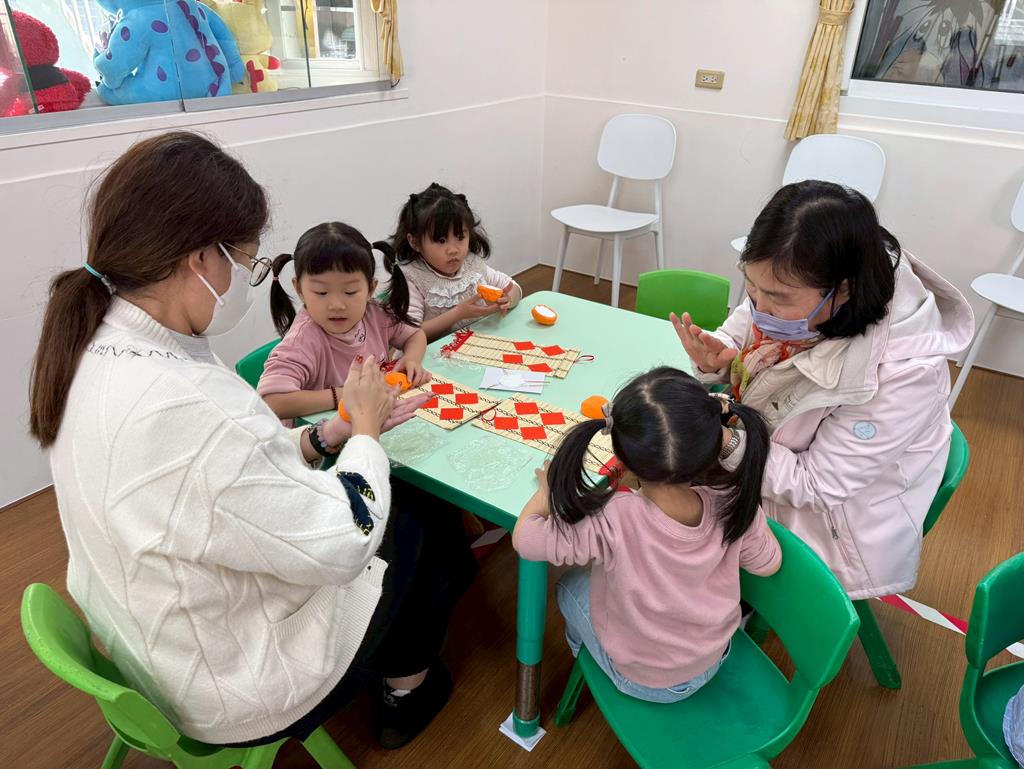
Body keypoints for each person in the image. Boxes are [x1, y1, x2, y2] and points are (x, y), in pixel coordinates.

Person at [28, 131, 469, 749]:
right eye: (248, 263)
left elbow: (229, 471)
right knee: (420, 520)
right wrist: (366, 432)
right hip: (227, 688)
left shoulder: (95, 344)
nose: (248, 279)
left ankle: (406, 651)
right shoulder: (190, 402)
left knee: (409, 516)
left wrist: (329, 434)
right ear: (200, 259)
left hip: (147, 636)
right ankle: (408, 687)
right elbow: (345, 541)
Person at [674, 180, 974, 599]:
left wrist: (725, 440)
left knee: (674, 540)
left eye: (776, 298)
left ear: (844, 290)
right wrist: (719, 356)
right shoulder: (789, 281)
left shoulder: (904, 375)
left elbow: (815, 485)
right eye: (752, 288)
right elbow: (747, 322)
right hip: (766, 460)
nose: (759, 308)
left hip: (832, 531)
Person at [513, 367, 781, 702]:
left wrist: (545, 493)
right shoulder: (734, 503)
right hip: (713, 658)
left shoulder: (614, 517)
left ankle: (589, 660)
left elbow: (526, 539)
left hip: (648, 682)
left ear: (621, 460)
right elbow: (768, 564)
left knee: (569, 586)